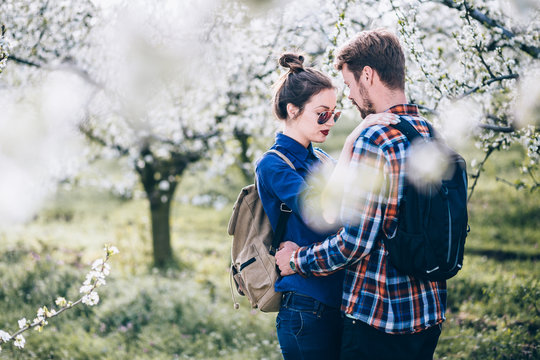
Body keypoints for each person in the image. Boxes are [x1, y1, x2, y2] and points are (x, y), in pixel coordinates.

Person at [275, 29, 446, 360]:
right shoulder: (428, 132)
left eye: (350, 85)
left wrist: (295, 261)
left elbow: (354, 242)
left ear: (368, 75)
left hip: (380, 319)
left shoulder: (375, 138)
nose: (350, 96)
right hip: (429, 312)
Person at [257, 52, 399, 360]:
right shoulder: (273, 165)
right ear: (292, 110)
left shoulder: (321, 159)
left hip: (342, 302)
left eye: (334, 114)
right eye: (322, 113)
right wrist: (353, 141)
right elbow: (321, 210)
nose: (330, 122)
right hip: (307, 307)